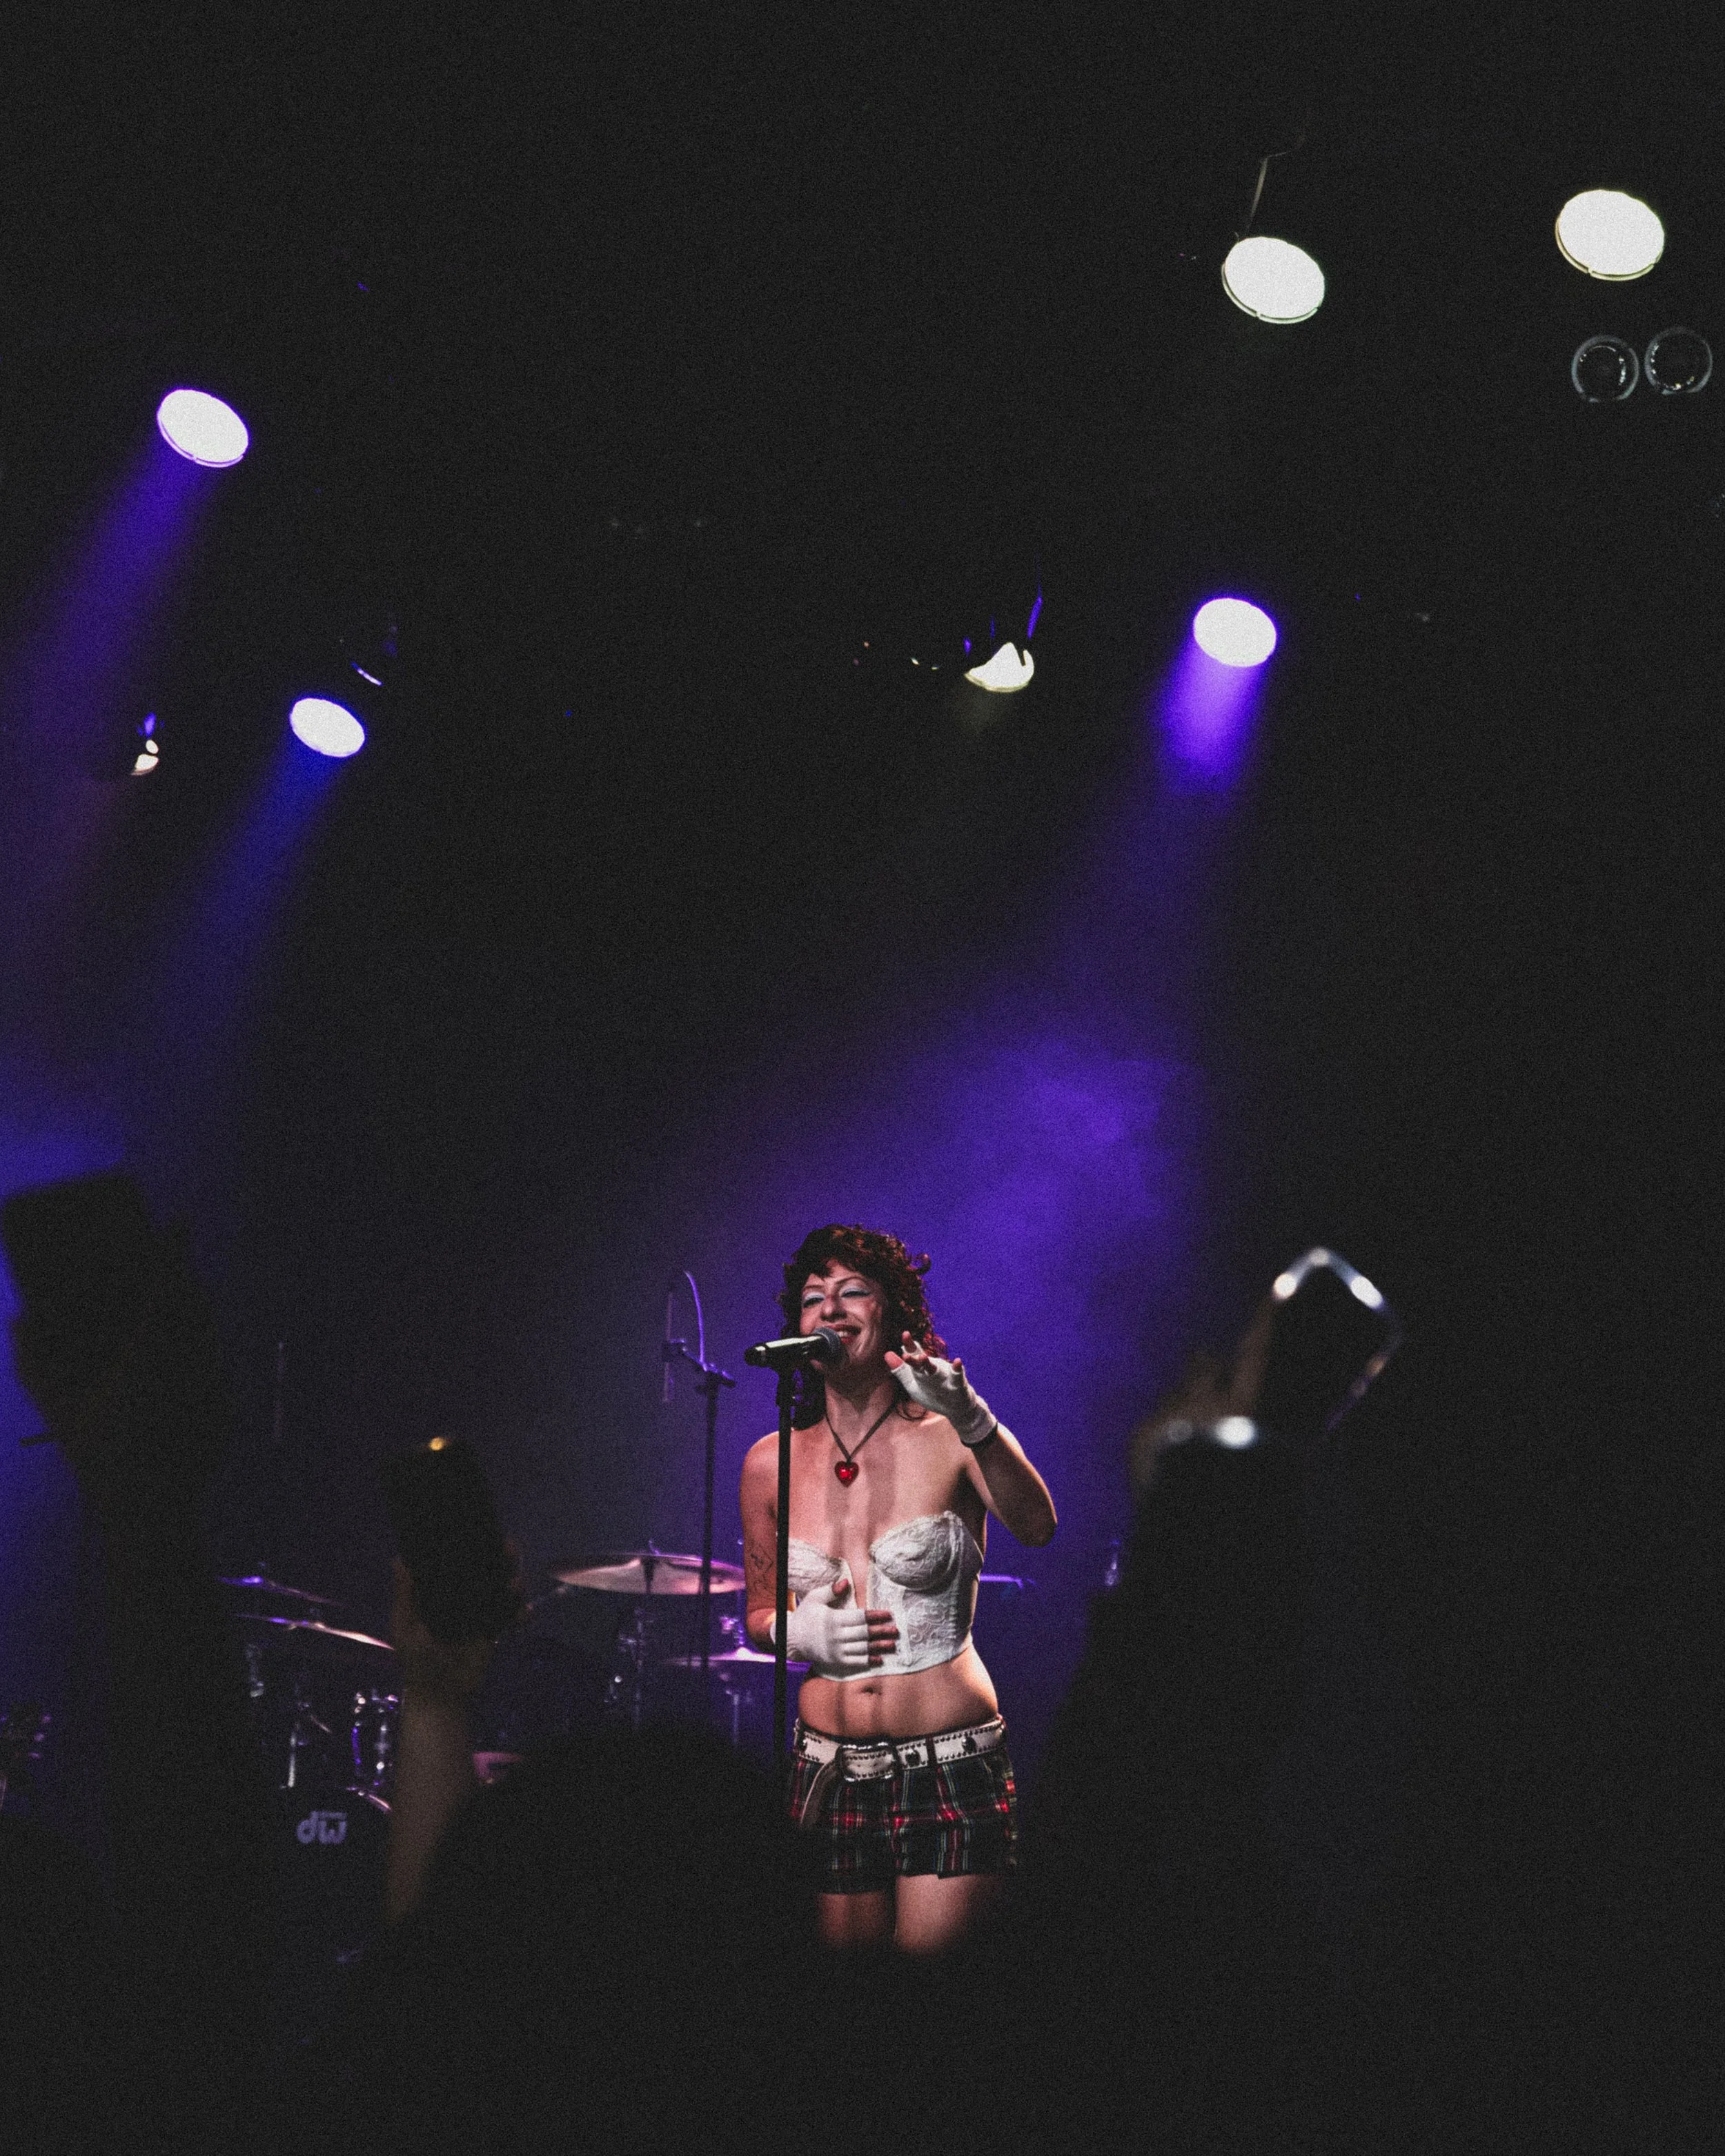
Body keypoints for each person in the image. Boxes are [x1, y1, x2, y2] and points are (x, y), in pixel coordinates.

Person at [739, 1223, 1056, 1953]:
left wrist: (973, 1419)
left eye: (854, 1292)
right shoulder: (769, 1462)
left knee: (929, 2002)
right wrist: (797, 1633)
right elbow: (757, 1611)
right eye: (814, 1298)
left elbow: (1037, 1525)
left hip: (946, 1758)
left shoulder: (949, 1433)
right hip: (826, 1767)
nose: (832, 1309)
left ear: (895, 1318)